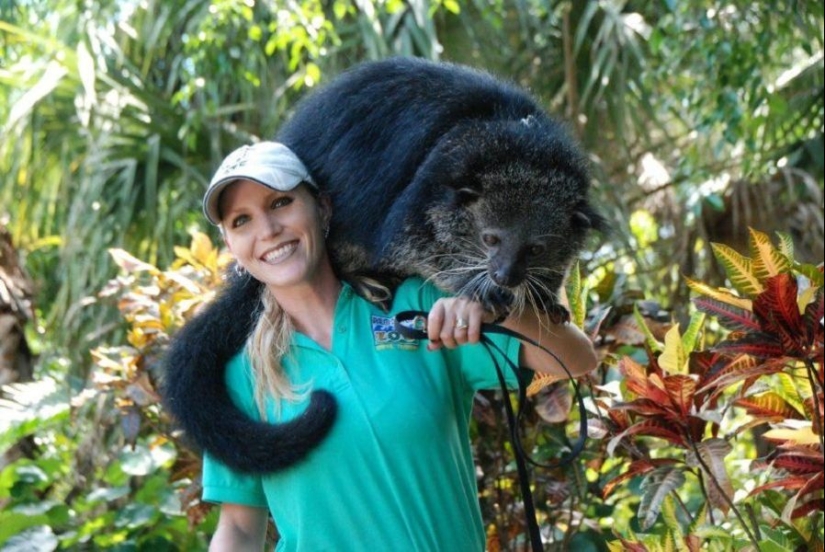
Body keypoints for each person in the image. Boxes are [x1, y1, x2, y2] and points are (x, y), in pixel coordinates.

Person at [198, 141, 599, 551]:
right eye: (241, 220)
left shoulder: (418, 305)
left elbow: (576, 359)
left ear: (323, 208)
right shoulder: (238, 375)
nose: (267, 230)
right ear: (231, 246)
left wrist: (489, 309)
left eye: (281, 202)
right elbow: (240, 528)